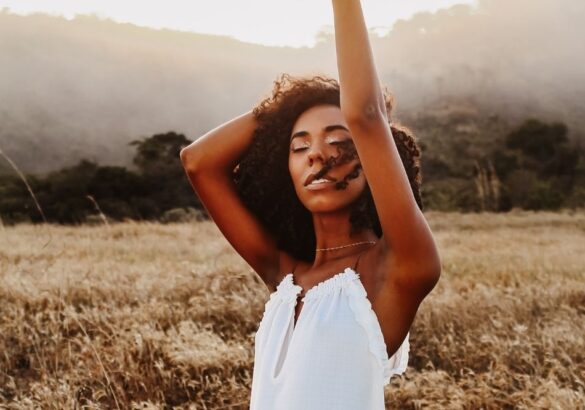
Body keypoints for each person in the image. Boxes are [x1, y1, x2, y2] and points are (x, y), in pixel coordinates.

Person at [180, 1, 441, 408]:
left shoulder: (395, 269)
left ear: (373, 159)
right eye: (299, 146)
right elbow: (198, 162)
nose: (317, 155)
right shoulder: (286, 275)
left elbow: (366, 115)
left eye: (340, 142)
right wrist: (293, 104)